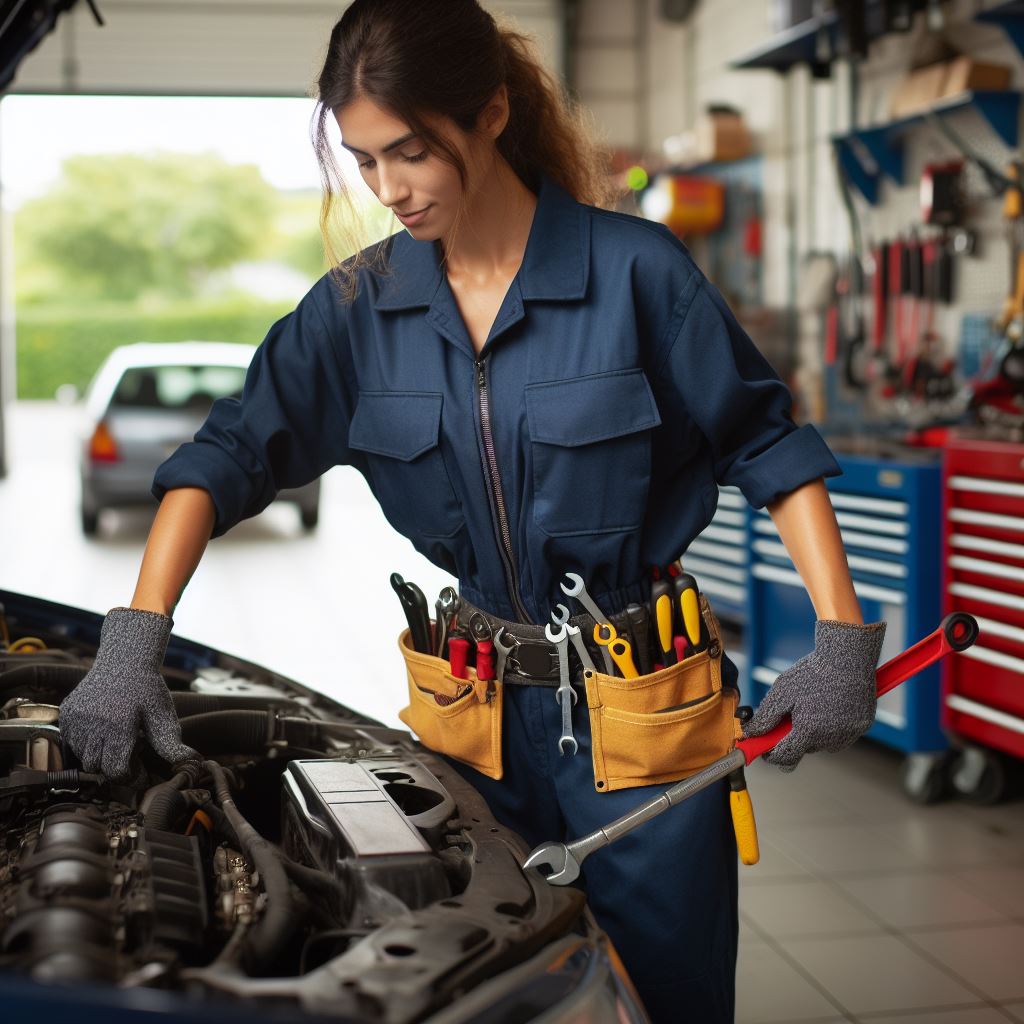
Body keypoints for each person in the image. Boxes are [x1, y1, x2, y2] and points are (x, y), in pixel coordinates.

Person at [58, 1, 886, 1020]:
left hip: (640, 712)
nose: (387, 189)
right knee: (487, 994)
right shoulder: (359, 310)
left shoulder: (635, 273)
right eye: (364, 160)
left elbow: (768, 446)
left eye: (408, 150)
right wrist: (134, 636)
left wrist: (841, 638)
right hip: (473, 717)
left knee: (664, 995)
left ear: (491, 112)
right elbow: (221, 454)